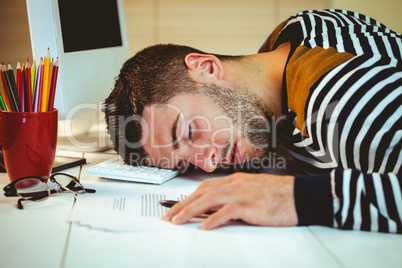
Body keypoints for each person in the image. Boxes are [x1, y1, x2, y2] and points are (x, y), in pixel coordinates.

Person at [104, 9, 402, 233]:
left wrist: (296, 198)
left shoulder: (342, 104)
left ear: (207, 67)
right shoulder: (293, 33)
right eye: (187, 165)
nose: (208, 165)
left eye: (190, 132)